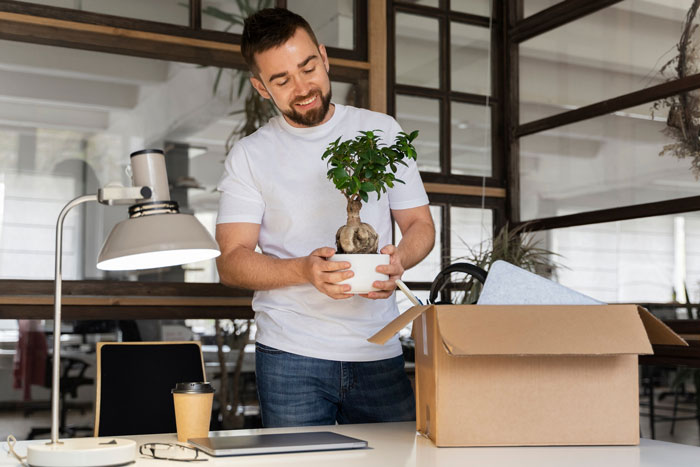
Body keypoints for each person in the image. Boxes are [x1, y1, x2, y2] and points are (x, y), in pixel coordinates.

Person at [215, 7, 435, 427]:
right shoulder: (250, 155)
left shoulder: (383, 133)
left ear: (323, 55)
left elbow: (420, 226)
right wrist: (304, 270)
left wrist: (399, 260)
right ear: (261, 87)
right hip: (290, 356)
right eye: (282, 80)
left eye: (308, 67)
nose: (302, 87)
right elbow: (231, 260)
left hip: (378, 349)